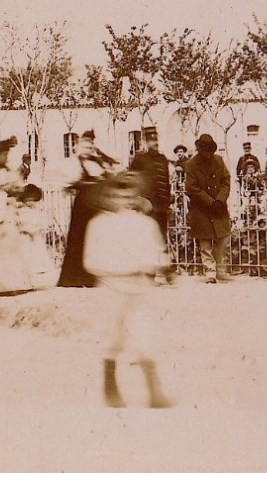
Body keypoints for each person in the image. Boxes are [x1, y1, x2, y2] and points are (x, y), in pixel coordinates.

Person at [83, 173, 173, 408]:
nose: (122, 199)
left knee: (145, 336)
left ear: (135, 196)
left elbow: (157, 253)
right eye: (116, 195)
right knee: (113, 338)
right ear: (107, 198)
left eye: (128, 194)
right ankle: (110, 390)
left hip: (139, 287)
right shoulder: (98, 225)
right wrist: (118, 268)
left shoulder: (145, 224)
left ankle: (155, 393)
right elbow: (90, 261)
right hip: (111, 287)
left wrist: (160, 263)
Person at [0, 137, 55, 293]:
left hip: (10, 209)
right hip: (0, 209)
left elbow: (16, 186)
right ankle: (4, 285)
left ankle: (18, 283)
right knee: (5, 249)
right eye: (3, 154)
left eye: (7, 154)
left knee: (15, 247)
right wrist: (11, 190)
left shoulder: (8, 170)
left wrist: (19, 191)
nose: (5, 157)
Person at [58, 129, 117, 287]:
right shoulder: (73, 163)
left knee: (97, 238)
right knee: (79, 239)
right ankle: (76, 278)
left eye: (90, 147)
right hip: (83, 205)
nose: (88, 150)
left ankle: (96, 275)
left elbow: (112, 171)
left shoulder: (98, 162)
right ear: (77, 147)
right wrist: (93, 183)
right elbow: (72, 183)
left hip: (97, 204)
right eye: (85, 147)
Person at [184, 134, 233, 283]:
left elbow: (226, 180)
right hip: (202, 207)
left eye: (210, 152)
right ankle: (210, 272)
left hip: (219, 206)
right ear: (199, 150)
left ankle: (219, 268)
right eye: (204, 152)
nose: (208, 155)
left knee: (223, 237)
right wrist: (210, 202)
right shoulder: (191, 165)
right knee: (205, 241)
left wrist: (220, 200)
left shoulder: (218, 160)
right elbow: (192, 188)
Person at [127, 129, 173, 239]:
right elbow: (132, 181)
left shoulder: (162, 159)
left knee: (161, 238)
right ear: (146, 142)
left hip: (161, 208)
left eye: (156, 140)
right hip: (145, 207)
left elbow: (166, 182)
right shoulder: (140, 159)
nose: (155, 143)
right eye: (151, 140)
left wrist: (167, 202)